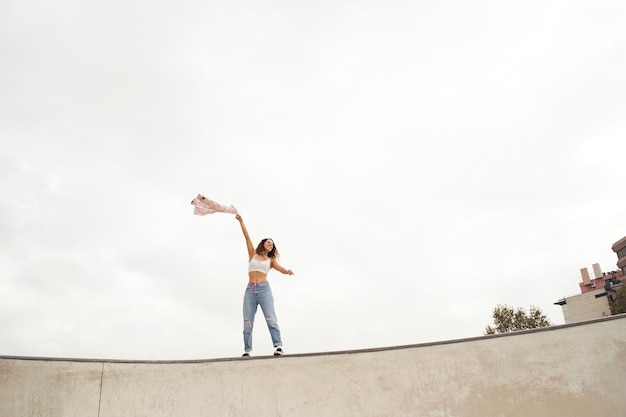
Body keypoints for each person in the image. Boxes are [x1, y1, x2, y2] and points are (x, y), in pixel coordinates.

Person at [235, 214, 294, 357]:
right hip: (250, 290)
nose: (270, 244)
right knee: (247, 321)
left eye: (272, 244)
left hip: (264, 290)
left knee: (270, 317)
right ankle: (247, 350)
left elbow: (280, 268)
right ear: (263, 244)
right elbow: (247, 236)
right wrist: (241, 221)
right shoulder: (253, 254)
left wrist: (287, 271)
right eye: (268, 242)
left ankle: (278, 346)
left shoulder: (271, 260)